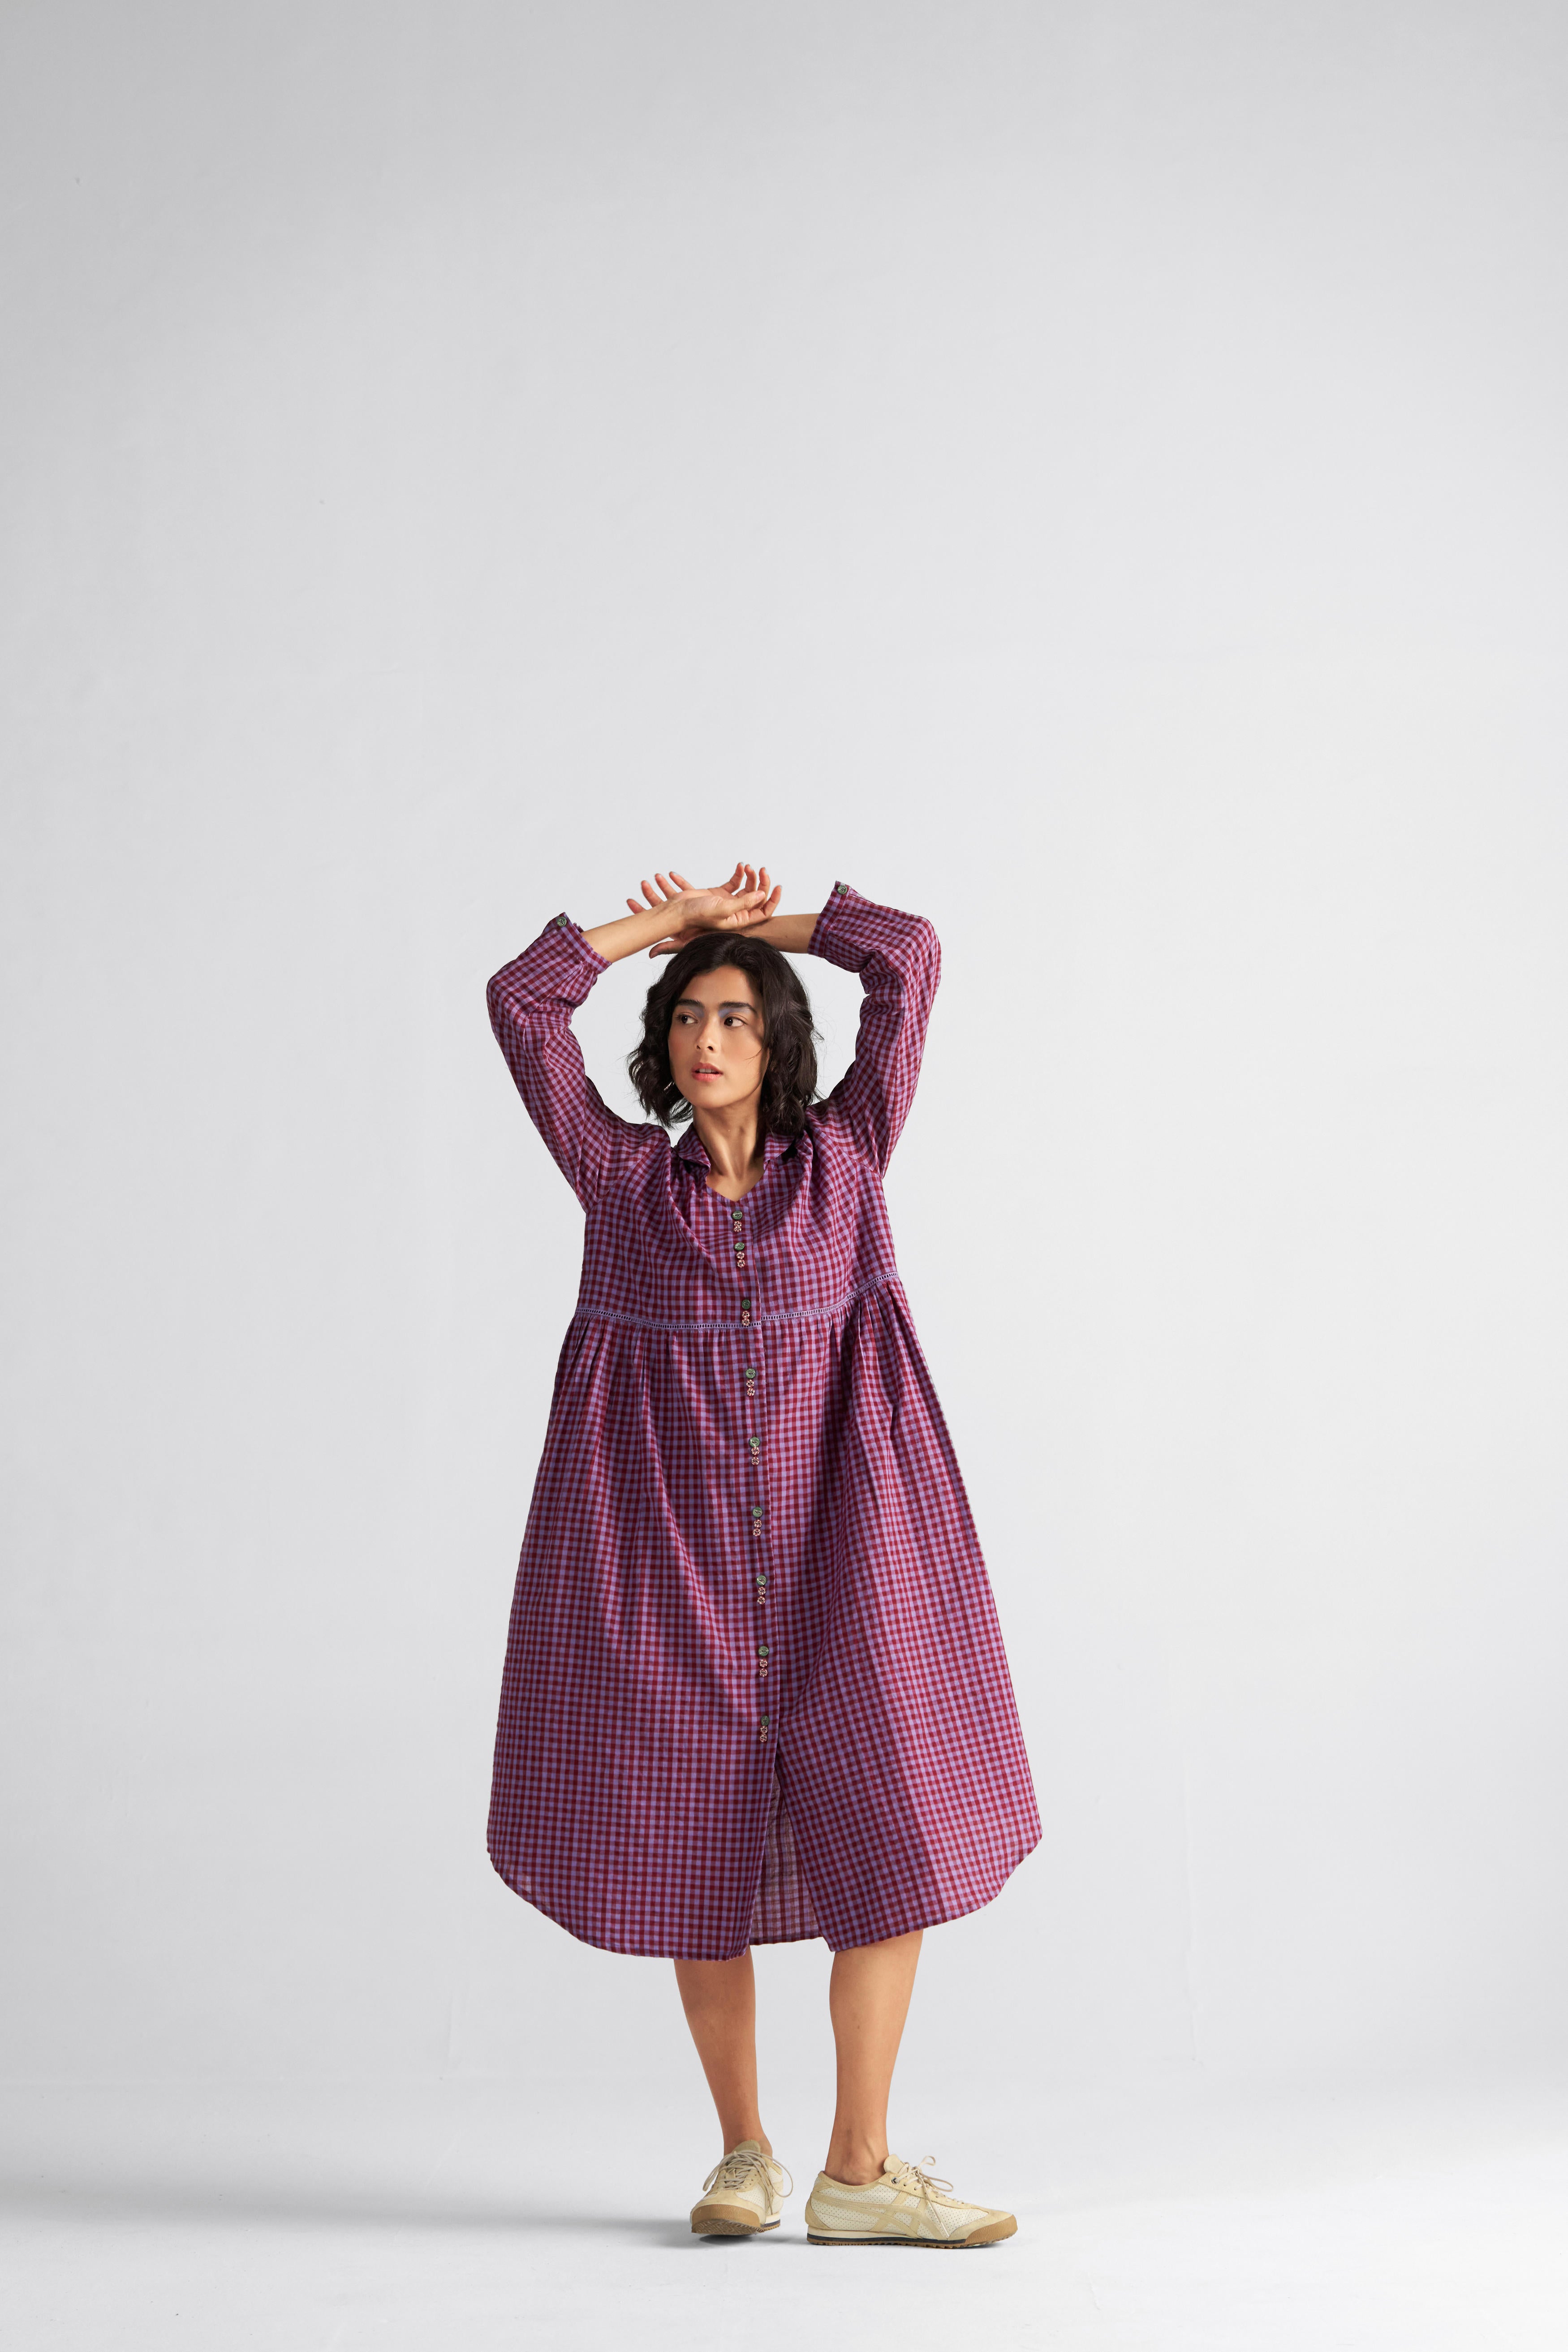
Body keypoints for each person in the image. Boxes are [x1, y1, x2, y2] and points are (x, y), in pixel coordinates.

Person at [484, 864, 1040, 2248]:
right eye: (685, 1015)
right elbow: (521, 1000)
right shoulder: (621, 1180)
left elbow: (907, 955)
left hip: (853, 1548)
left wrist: (750, 927)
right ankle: (743, 2151)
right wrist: (661, 932)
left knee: (896, 1832)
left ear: (776, 1037)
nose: (705, 1036)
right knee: (692, 1849)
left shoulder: (847, 1157)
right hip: (669, 1566)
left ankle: (860, 2164)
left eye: (734, 1014)